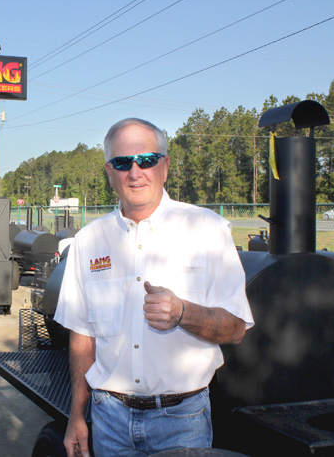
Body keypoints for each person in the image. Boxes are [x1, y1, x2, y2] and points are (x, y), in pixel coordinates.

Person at [54, 118, 254, 457]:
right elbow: (82, 336)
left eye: (146, 160)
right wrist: (77, 414)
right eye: (122, 163)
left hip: (182, 421)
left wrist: (183, 313)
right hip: (109, 420)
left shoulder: (207, 229)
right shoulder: (89, 241)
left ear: (165, 165)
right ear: (109, 171)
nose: (135, 172)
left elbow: (235, 328)